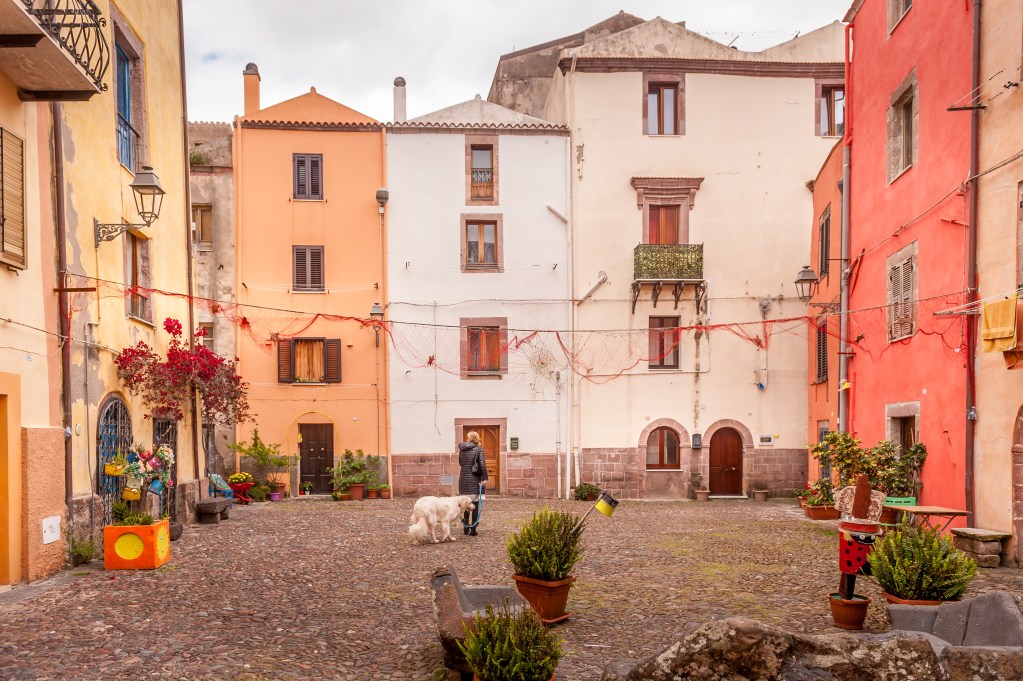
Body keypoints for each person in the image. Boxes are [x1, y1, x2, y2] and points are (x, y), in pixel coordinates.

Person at [458, 431, 488, 535]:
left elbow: (460, 463)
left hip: (463, 481)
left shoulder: (462, 449)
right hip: (474, 480)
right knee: (474, 505)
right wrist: (485, 479)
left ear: (469, 438)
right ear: (477, 438)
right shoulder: (479, 449)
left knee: (465, 504)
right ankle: (473, 530)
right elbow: (482, 465)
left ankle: (465, 528)